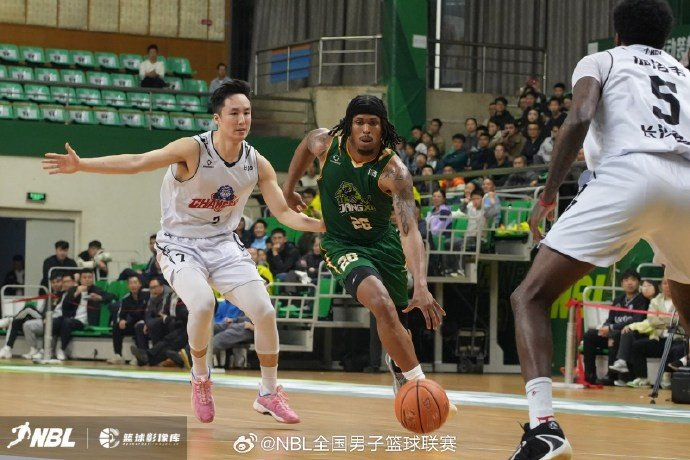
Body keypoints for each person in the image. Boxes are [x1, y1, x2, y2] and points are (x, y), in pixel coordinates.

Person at [43, 79, 324, 425]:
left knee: (264, 311)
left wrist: (322, 226)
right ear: (217, 118)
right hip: (179, 244)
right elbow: (137, 161)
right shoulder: (192, 149)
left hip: (223, 245)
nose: (242, 120)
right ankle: (201, 377)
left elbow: (283, 213)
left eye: (247, 113)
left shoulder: (257, 163)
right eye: (234, 113)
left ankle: (268, 393)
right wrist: (83, 164)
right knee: (203, 303)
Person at [509, 1, 689, 458]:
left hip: (631, 174)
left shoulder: (602, 60)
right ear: (665, 39)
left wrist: (549, 194)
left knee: (530, 296)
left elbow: (580, 116)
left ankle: (544, 428)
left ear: (617, 35)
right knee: (687, 300)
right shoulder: (683, 74)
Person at [282, 95, 447, 398]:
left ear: (383, 128)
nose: (366, 129)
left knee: (398, 321)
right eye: (359, 122)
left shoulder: (395, 172)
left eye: (373, 122)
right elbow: (306, 143)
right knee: (380, 303)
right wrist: (289, 187)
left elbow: (409, 230)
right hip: (342, 243)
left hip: (383, 244)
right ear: (349, 125)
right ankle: (419, 385)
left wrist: (421, 284)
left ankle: (399, 365)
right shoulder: (327, 144)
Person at [582, 269, 648, 385]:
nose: (629, 283)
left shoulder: (643, 300)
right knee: (590, 335)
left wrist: (611, 328)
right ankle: (590, 375)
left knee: (615, 335)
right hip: (614, 332)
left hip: (631, 336)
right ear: (621, 284)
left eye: (633, 280)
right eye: (626, 280)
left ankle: (611, 376)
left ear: (639, 283)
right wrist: (605, 328)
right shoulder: (618, 300)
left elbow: (636, 320)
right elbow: (610, 319)